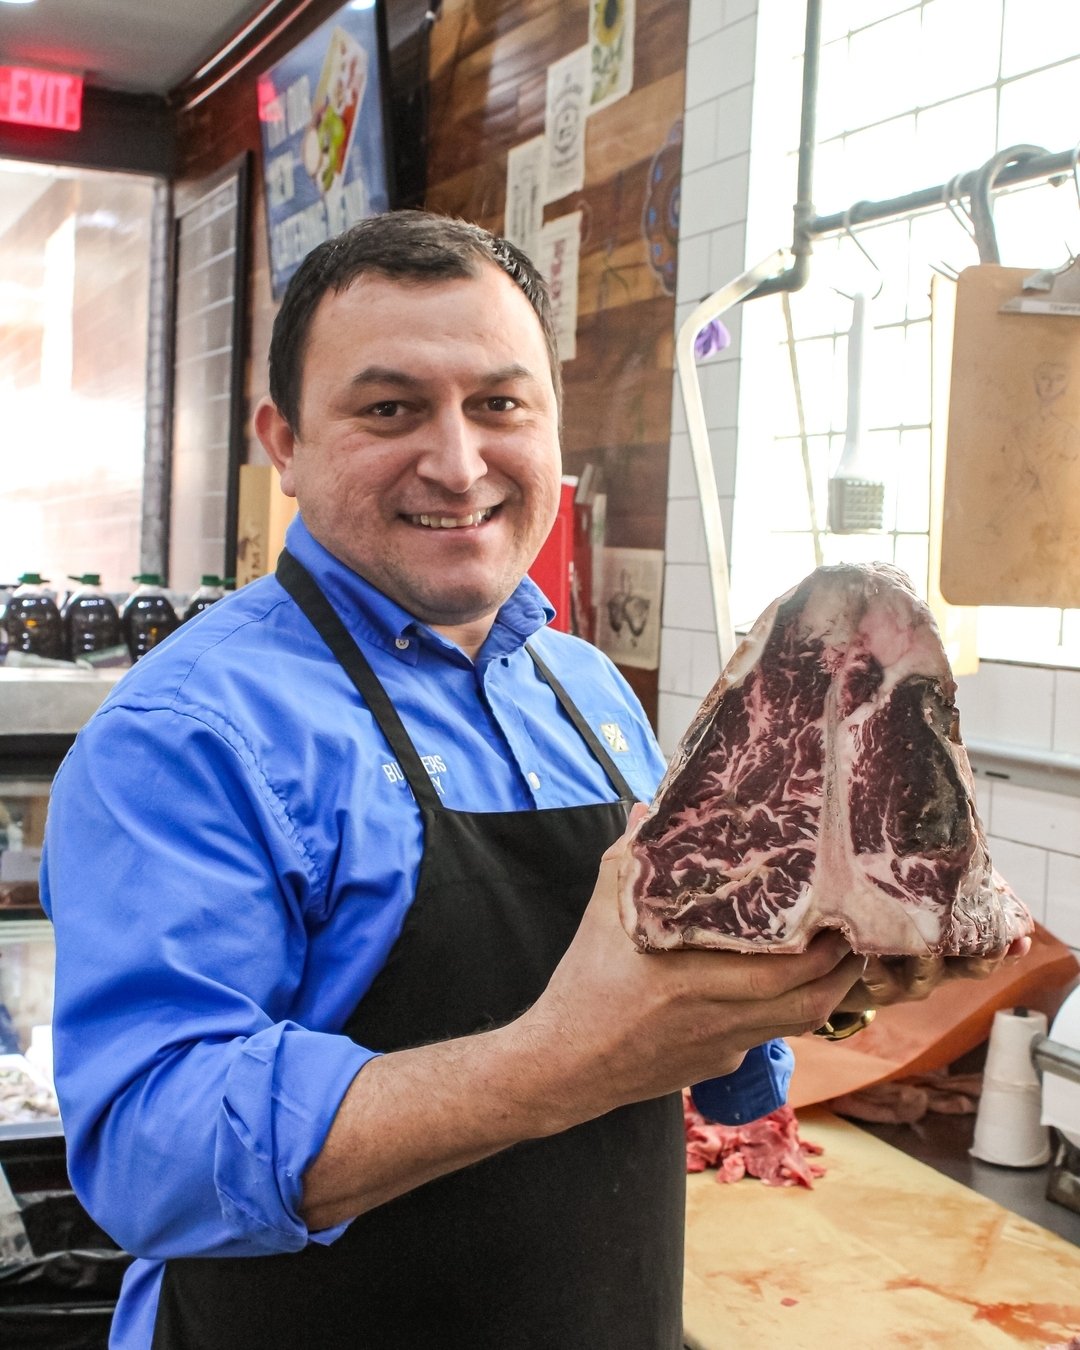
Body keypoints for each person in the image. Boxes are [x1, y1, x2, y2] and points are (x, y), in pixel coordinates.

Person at [41, 210, 1024, 1350]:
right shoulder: (182, 733)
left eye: (500, 405)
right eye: (389, 408)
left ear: (553, 429)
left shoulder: (586, 690)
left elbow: (685, 969)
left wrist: (795, 1019)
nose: (458, 463)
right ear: (286, 442)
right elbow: (148, 1155)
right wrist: (556, 1064)